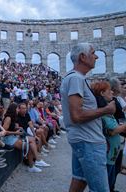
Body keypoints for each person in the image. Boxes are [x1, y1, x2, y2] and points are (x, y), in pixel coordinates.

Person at [60, 43, 116, 192]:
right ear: (82, 57)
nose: (96, 56)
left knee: (80, 180)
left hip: (84, 139)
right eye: (93, 53)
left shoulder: (75, 78)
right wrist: (106, 110)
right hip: (88, 141)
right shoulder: (76, 79)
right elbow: (77, 115)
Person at [91, 80, 126, 191]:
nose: (111, 92)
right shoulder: (103, 111)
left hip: (111, 152)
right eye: (108, 90)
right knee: (106, 182)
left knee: (109, 179)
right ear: (102, 93)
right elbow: (112, 130)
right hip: (108, 153)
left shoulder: (104, 108)